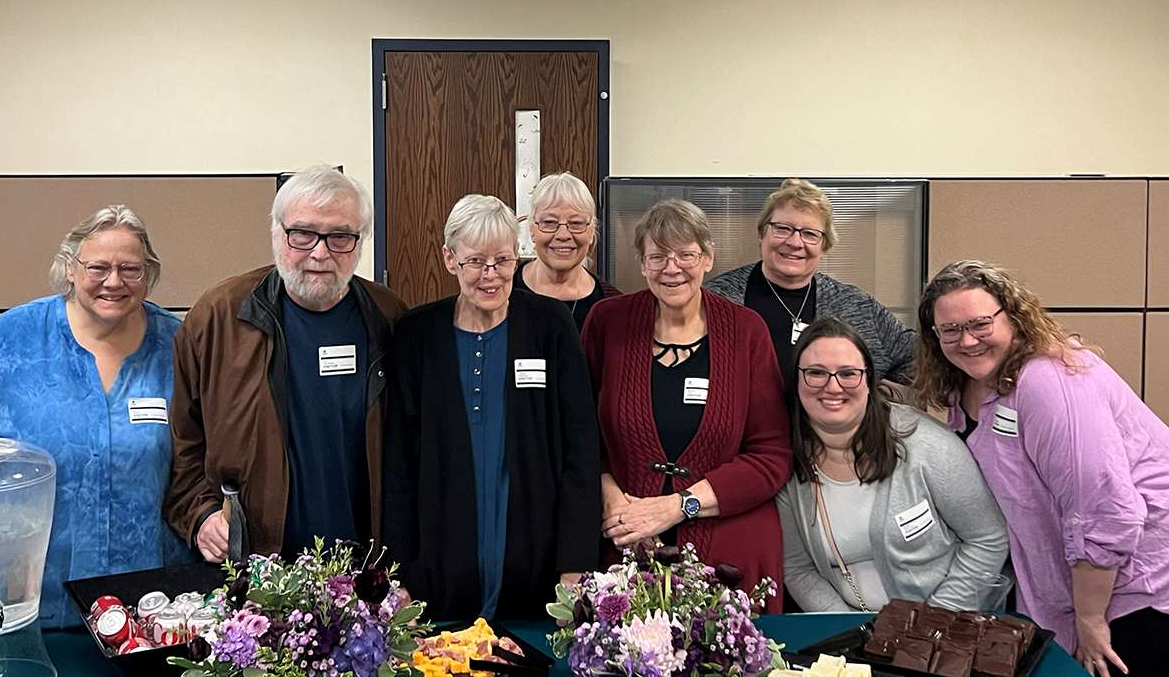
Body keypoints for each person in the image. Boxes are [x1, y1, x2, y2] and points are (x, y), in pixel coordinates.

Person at [915, 259, 1169, 677]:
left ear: (1012, 316)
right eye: (949, 330)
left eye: (979, 323)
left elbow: (1104, 510)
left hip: (1159, 548)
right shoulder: (966, 383)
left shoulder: (1048, 381)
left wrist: (1091, 621)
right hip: (1107, 553)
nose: (967, 339)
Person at [0, 205, 187, 628]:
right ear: (70, 269)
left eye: (131, 269)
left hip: (148, 606)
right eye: (98, 267)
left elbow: (199, 463)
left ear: (149, 274)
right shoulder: (17, 337)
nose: (114, 281)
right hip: (36, 603)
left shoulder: (176, 344)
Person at [163, 165, 405, 563]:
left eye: (340, 236)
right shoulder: (219, 317)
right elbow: (182, 444)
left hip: (368, 568)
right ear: (277, 234)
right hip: (255, 572)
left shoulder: (390, 318)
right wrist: (201, 515)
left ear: (360, 242)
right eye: (303, 234)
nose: (320, 252)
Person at [383, 194, 600, 621]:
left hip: (535, 552)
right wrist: (399, 571)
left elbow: (581, 450)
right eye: (475, 262)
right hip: (440, 551)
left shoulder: (551, 325)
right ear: (449, 259)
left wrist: (574, 564)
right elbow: (399, 463)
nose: (491, 275)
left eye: (502, 260)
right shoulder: (416, 334)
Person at [583, 198, 791, 612]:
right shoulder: (608, 322)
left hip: (728, 544)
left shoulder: (747, 331)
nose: (671, 267)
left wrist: (681, 506)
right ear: (642, 264)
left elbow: (771, 454)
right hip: (625, 532)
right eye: (657, 256)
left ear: (708, 258)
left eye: (686, 254)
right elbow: (578, 432)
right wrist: (608, 494)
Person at [776, 318, 1008, 613]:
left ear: (870, 381)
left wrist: (930, 624)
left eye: (848, 373)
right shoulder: (787, 460)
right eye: (816, 373)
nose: (832, 386)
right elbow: (798, 568)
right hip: (848, 634)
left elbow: (988, 539)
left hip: (944, 627)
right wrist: (844, 633)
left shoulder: (926, 445)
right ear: (796, 382)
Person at [704, 179, 915, 383]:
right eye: (782, 228)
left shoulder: (857, 307)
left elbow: (925, 362)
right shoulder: (715, 300)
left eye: (809, 234)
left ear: (824, 246)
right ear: (762, 233)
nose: (795, 242)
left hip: (828, 421)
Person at [513, 171, 620, 329]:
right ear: (532, 230)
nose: (563, 235)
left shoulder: (614, 308)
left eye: (576, 223)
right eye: (549, 222)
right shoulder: (503, 294)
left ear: (591, 232)